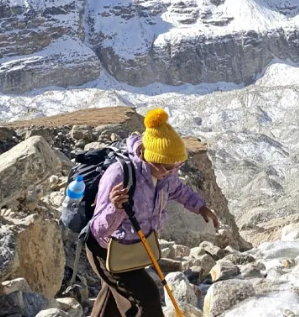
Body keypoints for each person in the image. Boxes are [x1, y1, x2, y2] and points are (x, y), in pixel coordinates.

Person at [88, 109, 220, 317]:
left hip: (131, 247)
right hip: (105, 248)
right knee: (146, 298)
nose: (172, 171)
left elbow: (177, 189)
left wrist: (200, 207)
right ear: (151, 158)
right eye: (168, 167)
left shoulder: (165, 173)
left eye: (177, 166)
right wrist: (115, 207)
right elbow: (97, 230)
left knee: (113, 299)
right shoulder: (119, 174)